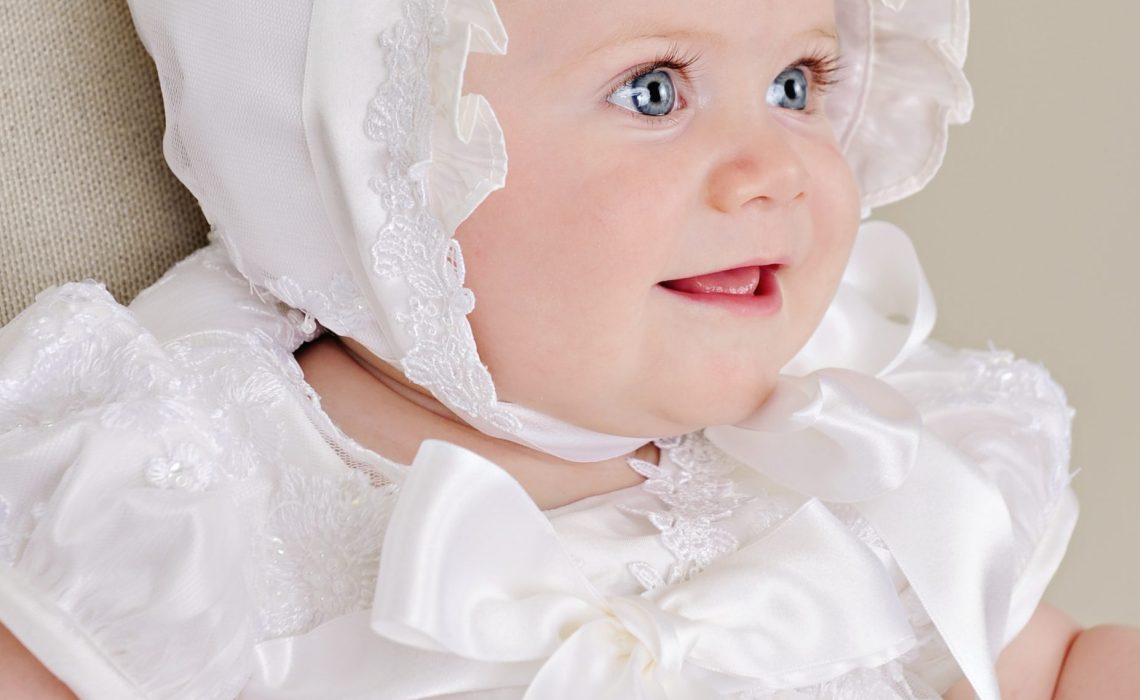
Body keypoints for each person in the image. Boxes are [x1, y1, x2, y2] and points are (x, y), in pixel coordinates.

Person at [1, 0, 1137, 697]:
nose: (776, 170)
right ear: (372, 162)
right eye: (655, 91)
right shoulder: (183, 483)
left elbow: (1053, 669)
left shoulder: (852, 446)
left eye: (795, 85)